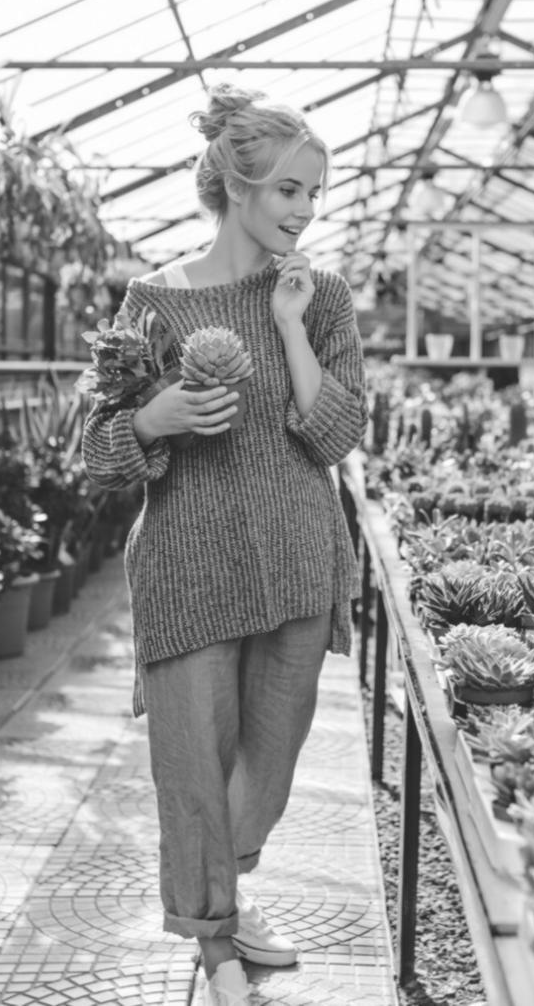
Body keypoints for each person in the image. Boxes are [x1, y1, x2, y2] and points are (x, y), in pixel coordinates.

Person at [80, 83, 366, 1006]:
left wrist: (287, 323)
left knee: (271, 762)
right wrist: (155, 418)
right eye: (289, 189)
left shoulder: (320, 297)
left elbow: (335, 434)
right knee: (193, 766)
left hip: (294, 562)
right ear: (237, 186)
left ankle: (227, 895)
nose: (304, 210)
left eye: (314, 193)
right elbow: (96, 451)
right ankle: (214, 939)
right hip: (189, 568)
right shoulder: (152, 303)